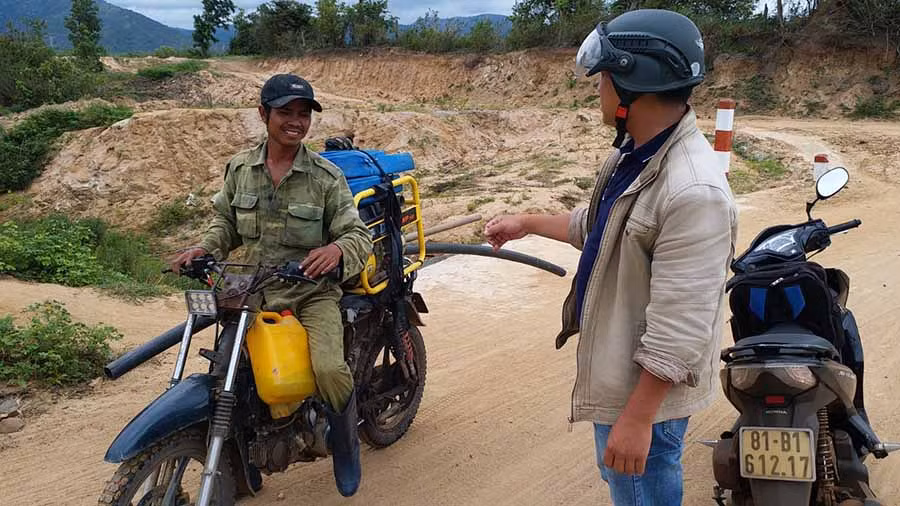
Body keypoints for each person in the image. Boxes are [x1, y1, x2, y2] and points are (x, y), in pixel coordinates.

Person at [483, 9, 738, 506]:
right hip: (625, 376)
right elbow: (603, 227)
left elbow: (681, 326)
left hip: (647, 395)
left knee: (641, 489)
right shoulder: (636, 154)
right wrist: (528, 222)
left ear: (632, 85)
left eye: (604, 78)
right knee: (629, 485)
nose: (597, 88)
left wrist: (639, 418)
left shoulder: (693, 191)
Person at [169, 73, 373, 497]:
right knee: (227, 371)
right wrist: (203, 248)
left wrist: (336, 252)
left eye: (303, 114)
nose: (295, 122)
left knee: (329, 369)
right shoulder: (241, 168)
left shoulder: (325, 176)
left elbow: (357, 234)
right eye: (285, 112)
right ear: (264, 114)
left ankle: (346, 443)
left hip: (310, 292)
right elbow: (224, 222)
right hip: (253, 289)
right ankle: (241, 463)